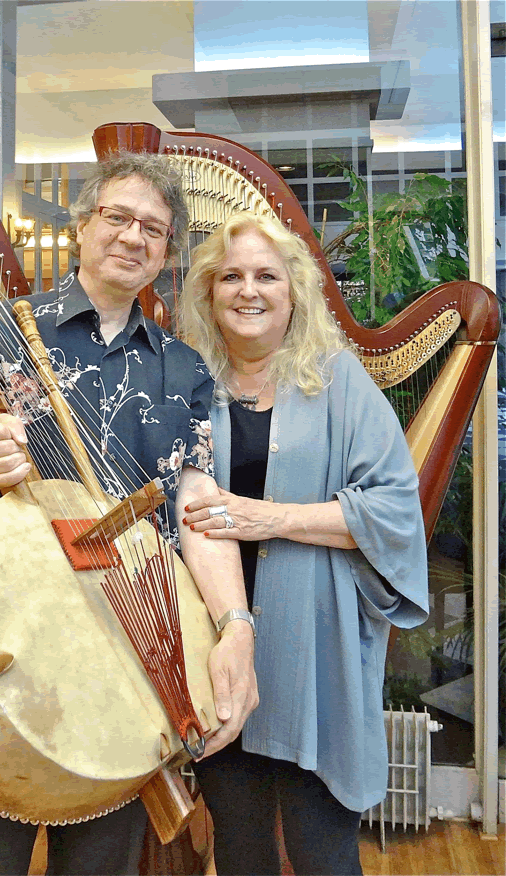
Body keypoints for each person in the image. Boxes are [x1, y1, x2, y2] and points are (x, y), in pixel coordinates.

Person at [0, 152, 258, 876]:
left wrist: (234, 627)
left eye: (154, 229)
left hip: (124, 663)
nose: (134, 237)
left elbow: (198, 508)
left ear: (167, 255)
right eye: (118, 217)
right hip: (2, 659)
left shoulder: (183, 369)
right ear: (82, 225)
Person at [179, 211, 429, 876]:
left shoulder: (337, 380)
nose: (248, 290)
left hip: (314, 653)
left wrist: (269, 518)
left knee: (323, 853)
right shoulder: (186, 386)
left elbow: (395, 512)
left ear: (294, 291)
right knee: (241, 849)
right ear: (208, 292)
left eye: (266, 275)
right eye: (230, 276)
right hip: (216, 653)